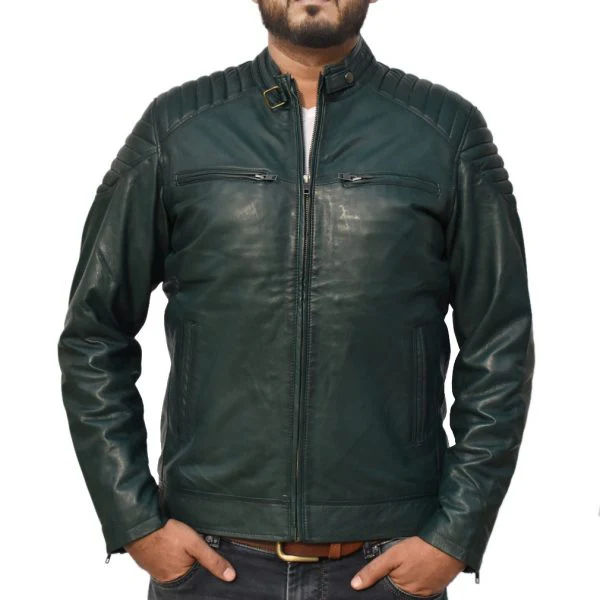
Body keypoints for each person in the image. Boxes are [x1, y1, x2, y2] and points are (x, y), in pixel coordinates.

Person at [57, 1, 535, 598]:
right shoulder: (177, 128)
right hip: (212, 561)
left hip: (387, 563)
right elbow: (95, 334)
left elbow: (500, 345)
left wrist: (455, 535)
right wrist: (135, 523)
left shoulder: (446, 132)